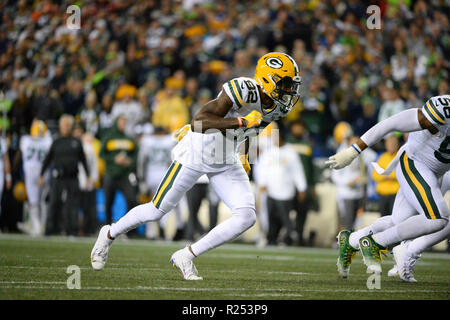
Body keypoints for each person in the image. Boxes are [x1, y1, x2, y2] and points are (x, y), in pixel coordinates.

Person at [91, 52, 302, 280]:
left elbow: (250, 129)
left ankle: (187, 255)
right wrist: (239, 121)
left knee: (246, 217)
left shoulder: (279, 107)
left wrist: (245, 153)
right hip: (196, 153)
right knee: (156, 210)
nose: (290, 91)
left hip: (225, 158)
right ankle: (109, 234)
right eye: (286, 84)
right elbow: (200, 122)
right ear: (268, 79)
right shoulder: (244, 90)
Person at [328, 94, 450, 282]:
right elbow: (388, 124)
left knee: (398, 221)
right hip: (414, 163)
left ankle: (351, 241)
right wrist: (353, 151)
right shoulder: (439, 110)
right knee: (438, 218)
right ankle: (377, 243)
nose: (426, 124)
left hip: (434, 172)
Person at [387, 170, 450, 281]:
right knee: (401, 218)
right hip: (421, 167)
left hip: (433, 167)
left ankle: (406, 249)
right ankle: (408, 249)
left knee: (432, 216)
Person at [40, 115, 90, 236]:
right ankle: (49, 230)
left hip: (73, 177)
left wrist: (88, 176)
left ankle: (72, 231)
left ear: (71, 127)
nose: (67, 127)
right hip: (58, 178)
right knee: (54, 203)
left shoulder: (76, 142)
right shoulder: (56, 141)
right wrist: (41, 175)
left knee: (73, 205)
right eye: (64, 125)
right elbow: (48, 159)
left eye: (68, 125)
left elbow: (83, 160)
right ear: (60, 126)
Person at [258, 130, 307, 246]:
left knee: (284, 218)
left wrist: (302, 188)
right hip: (271, 191)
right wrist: (262, 183)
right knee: (271, 218)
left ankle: (288, 239)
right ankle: (271, 239)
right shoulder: (268, 151)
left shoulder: (291, 152)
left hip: (286, 192)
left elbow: (298, 171)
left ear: (282, 138)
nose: (275, 140)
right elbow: (263, 168)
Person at [137, 126, 183, 240]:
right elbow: (173, 159)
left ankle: (150, 232)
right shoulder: (169, 141)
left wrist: (141, 179)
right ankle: (162, 227)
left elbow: (141, 161)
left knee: (150, 203)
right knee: (164, 203)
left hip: (150, 176)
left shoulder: (147, 141)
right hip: (164, 175)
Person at [14, 120, 52, 235]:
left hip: (30, 173)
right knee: (42, 201)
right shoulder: (48, 141)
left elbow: (18, 158)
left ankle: (36, 227)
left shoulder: (25, 140)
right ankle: (41, 225)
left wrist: (15, 172)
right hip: (43, 173)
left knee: (33, 201)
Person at [100, 115, 139, 226]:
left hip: (125, 175)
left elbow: (136, 155)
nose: (123, 125)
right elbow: (101, 154)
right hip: (110, 174)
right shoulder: (108, 137)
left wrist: (129, 162)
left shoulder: (129, 139)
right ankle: (107, 226)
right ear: (116, 123)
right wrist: (114, 159)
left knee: (131, 199)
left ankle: (131, 229)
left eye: (124, 123)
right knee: (108, 203)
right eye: (121, 122)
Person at [73, 123, 99, 236]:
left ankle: (86, 229)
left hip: (86, 181)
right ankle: (74, 228)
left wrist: (92, 179)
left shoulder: (88, 148)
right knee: (74, 206)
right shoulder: (73, 146)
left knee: (87, 207)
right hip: (75, 180)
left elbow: (93, 165)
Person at [371, 134, 400, 216]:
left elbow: (401, 173)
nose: (390, 146)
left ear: (397, 144)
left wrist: (387, 175)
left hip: (396, 195)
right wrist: (386, 176)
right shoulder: (382, 157)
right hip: (383, 195)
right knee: (383, 219)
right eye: (389, 144)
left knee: (395, 218)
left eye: (393, 144)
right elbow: (374, 175)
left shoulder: (400, 156)